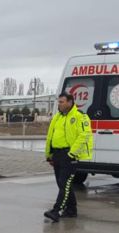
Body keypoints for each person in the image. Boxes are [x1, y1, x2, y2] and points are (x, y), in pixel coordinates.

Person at [43, 92, 93, 222]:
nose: (59, 104)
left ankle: (57, 211)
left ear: (70, 102)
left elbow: (85, 135)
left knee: (65, 184)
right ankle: (71, 210)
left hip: (69, 155)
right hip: (57, 155)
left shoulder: (80, 116)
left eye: (62, 102)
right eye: (58, 102)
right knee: (62, 184)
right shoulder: (57, 117)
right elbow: (50, 136)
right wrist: (49, 155)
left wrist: (72, 154)